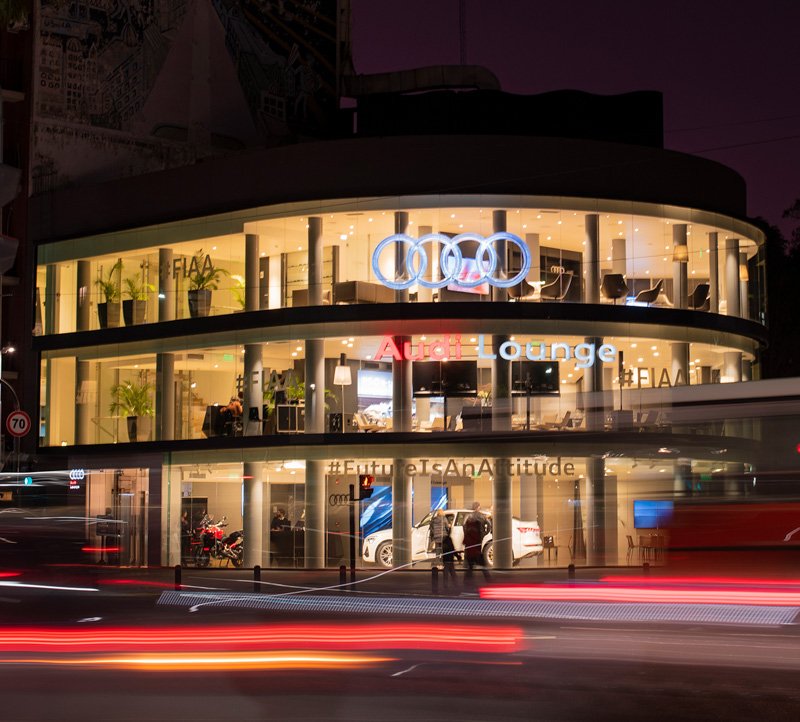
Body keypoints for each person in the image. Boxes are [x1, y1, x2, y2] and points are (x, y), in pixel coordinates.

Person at [463, 502, 491, 583]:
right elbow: (489, 525)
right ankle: (488, 579)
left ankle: (467, 580)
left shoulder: (468, 516)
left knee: (471, 562)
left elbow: (463, 526)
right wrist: (484, 533)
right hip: (479, 538)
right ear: (478, 507)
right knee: (479, 558)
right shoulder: (482, 516)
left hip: (470, 541)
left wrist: (466, 534)